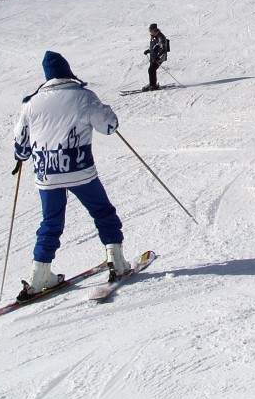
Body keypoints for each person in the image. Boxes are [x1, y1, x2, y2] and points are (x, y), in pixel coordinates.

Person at [13, 50, 129, 300]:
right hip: (79, 170)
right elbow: (108, 126)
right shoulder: (83, 96)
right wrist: (106, 111)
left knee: (51, 221)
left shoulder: (31, 103)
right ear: (67, 72)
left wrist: (23, 156)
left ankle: (39, 274)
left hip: (46, 173)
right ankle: (116, 261)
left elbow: (21, 146)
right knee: (102, 211)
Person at [143, 24, 170, 91]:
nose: (150, 32)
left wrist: (158, 57)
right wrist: (149, 51)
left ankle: (153, 85)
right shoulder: (153, 36)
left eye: (150, 30)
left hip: (159, 57)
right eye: (149, 30)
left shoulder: (161, 37)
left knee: (151, 69)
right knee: (152, 70)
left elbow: (163, 49)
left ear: (154, 30)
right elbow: (155, 47)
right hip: (154, 57)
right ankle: (152, 84)